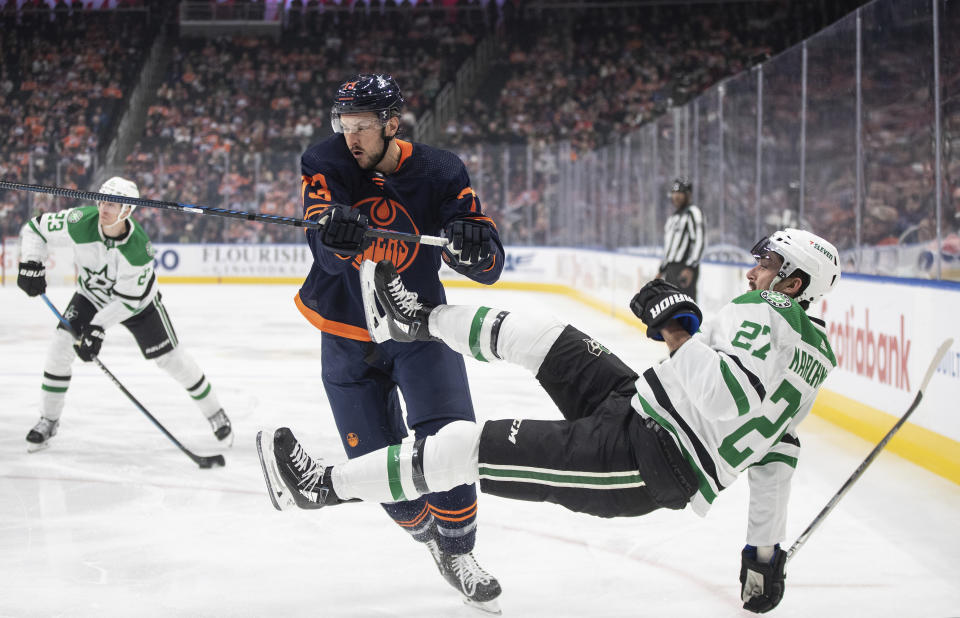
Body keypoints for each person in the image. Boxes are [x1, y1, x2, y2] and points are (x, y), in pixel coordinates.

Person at [259, 228, 841, 614]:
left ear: (794, 284)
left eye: (766, 265)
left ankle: (319, 488)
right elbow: (776, 459)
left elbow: (722, 396)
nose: (752, 274)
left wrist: (676, 329)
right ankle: (420, 322)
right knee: (545, 336)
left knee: (462, 446)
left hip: (644, 463)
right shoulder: (807, 362)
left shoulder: (768, 312)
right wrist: (762, 558)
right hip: (639, 405)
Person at [278, 73, 505, 611]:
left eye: (362, 127)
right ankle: (427, 535)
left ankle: (459, 550)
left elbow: (488, 264)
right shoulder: (324, 161)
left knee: (450, 440)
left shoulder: (440, 170)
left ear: (392, 125)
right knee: (376, 462)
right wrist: (334, 236)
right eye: (344, 125)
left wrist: (473, 246)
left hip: (419, 327)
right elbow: (323, 247)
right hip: (345, 332)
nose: (350, 137)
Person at [17, 176, 232, 449]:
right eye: (103, 200)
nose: (105, 208)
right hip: (91, 296)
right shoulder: (78, 222)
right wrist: (31, 262)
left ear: (127, 211)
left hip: (138, 306)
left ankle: (215, 412)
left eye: (114, 204)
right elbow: (35, 229)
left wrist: (96, 328)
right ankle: (48, 420)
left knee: (172, 360)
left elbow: (127, 301)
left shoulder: (138, 251)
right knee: (60, 346)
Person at [657, 177, 705, 300]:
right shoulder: (673, 218)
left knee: (684, 307)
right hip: (671, 270)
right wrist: (662, 270)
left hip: (684, 268)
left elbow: (700, 241)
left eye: (680, 193)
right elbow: (669, 247)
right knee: (670, 307)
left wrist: (690, 267)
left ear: (688, 195)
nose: (676, 196)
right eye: (674, 193)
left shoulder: (693, 213)